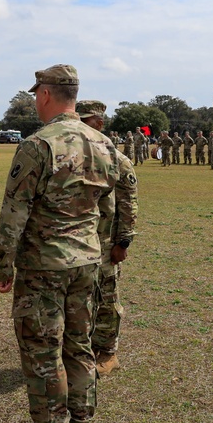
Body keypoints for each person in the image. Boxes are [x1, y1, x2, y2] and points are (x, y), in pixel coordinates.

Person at [0, 65, 124, 423]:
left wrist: (2, 266)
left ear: (46, 95)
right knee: (80, 348)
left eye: (36, 95)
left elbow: (14, 212)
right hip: (87, 260)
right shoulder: (103, 144)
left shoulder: (38, 145)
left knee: (42, 351)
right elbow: (109, 206)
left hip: (43, 264)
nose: (36, 101)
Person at [77, 100, 138, 377]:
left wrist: (123, 243)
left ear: (99, 124)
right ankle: (83, 349)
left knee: (107, 297)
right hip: (78, 243)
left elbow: (128, 203)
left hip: (106, 243)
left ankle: (108, 352)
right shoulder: (76, 155)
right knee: (82, 298)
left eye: (85, 121)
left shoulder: (116, 158)